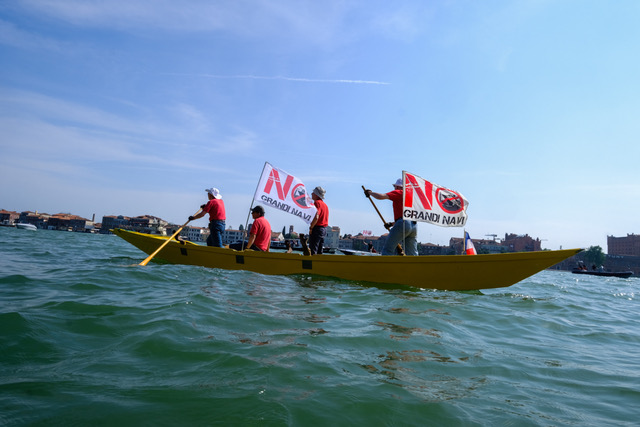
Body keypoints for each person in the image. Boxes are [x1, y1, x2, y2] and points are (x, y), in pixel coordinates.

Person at [364, 179, 418, 256]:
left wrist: (370, 193)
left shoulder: (399, 192)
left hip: (403, 224)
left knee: (388, 250)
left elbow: (381, 196)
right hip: (414, 226)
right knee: (412, 254)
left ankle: (385, 266)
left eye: (395, 186)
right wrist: (391, 224)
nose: (394, 188)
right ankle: (415, 266)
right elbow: (406, 216)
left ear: (398, 186)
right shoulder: (411, 197)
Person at [308, 186, 328, 255]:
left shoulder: (317, 203)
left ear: (316, 194)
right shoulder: (325, 205)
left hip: (317, 229)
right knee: (319, 251)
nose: (311, 194)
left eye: (313, 193)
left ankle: (312, 264)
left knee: (313, 250)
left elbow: (316, 217)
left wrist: (311, 227)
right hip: (323, 230)